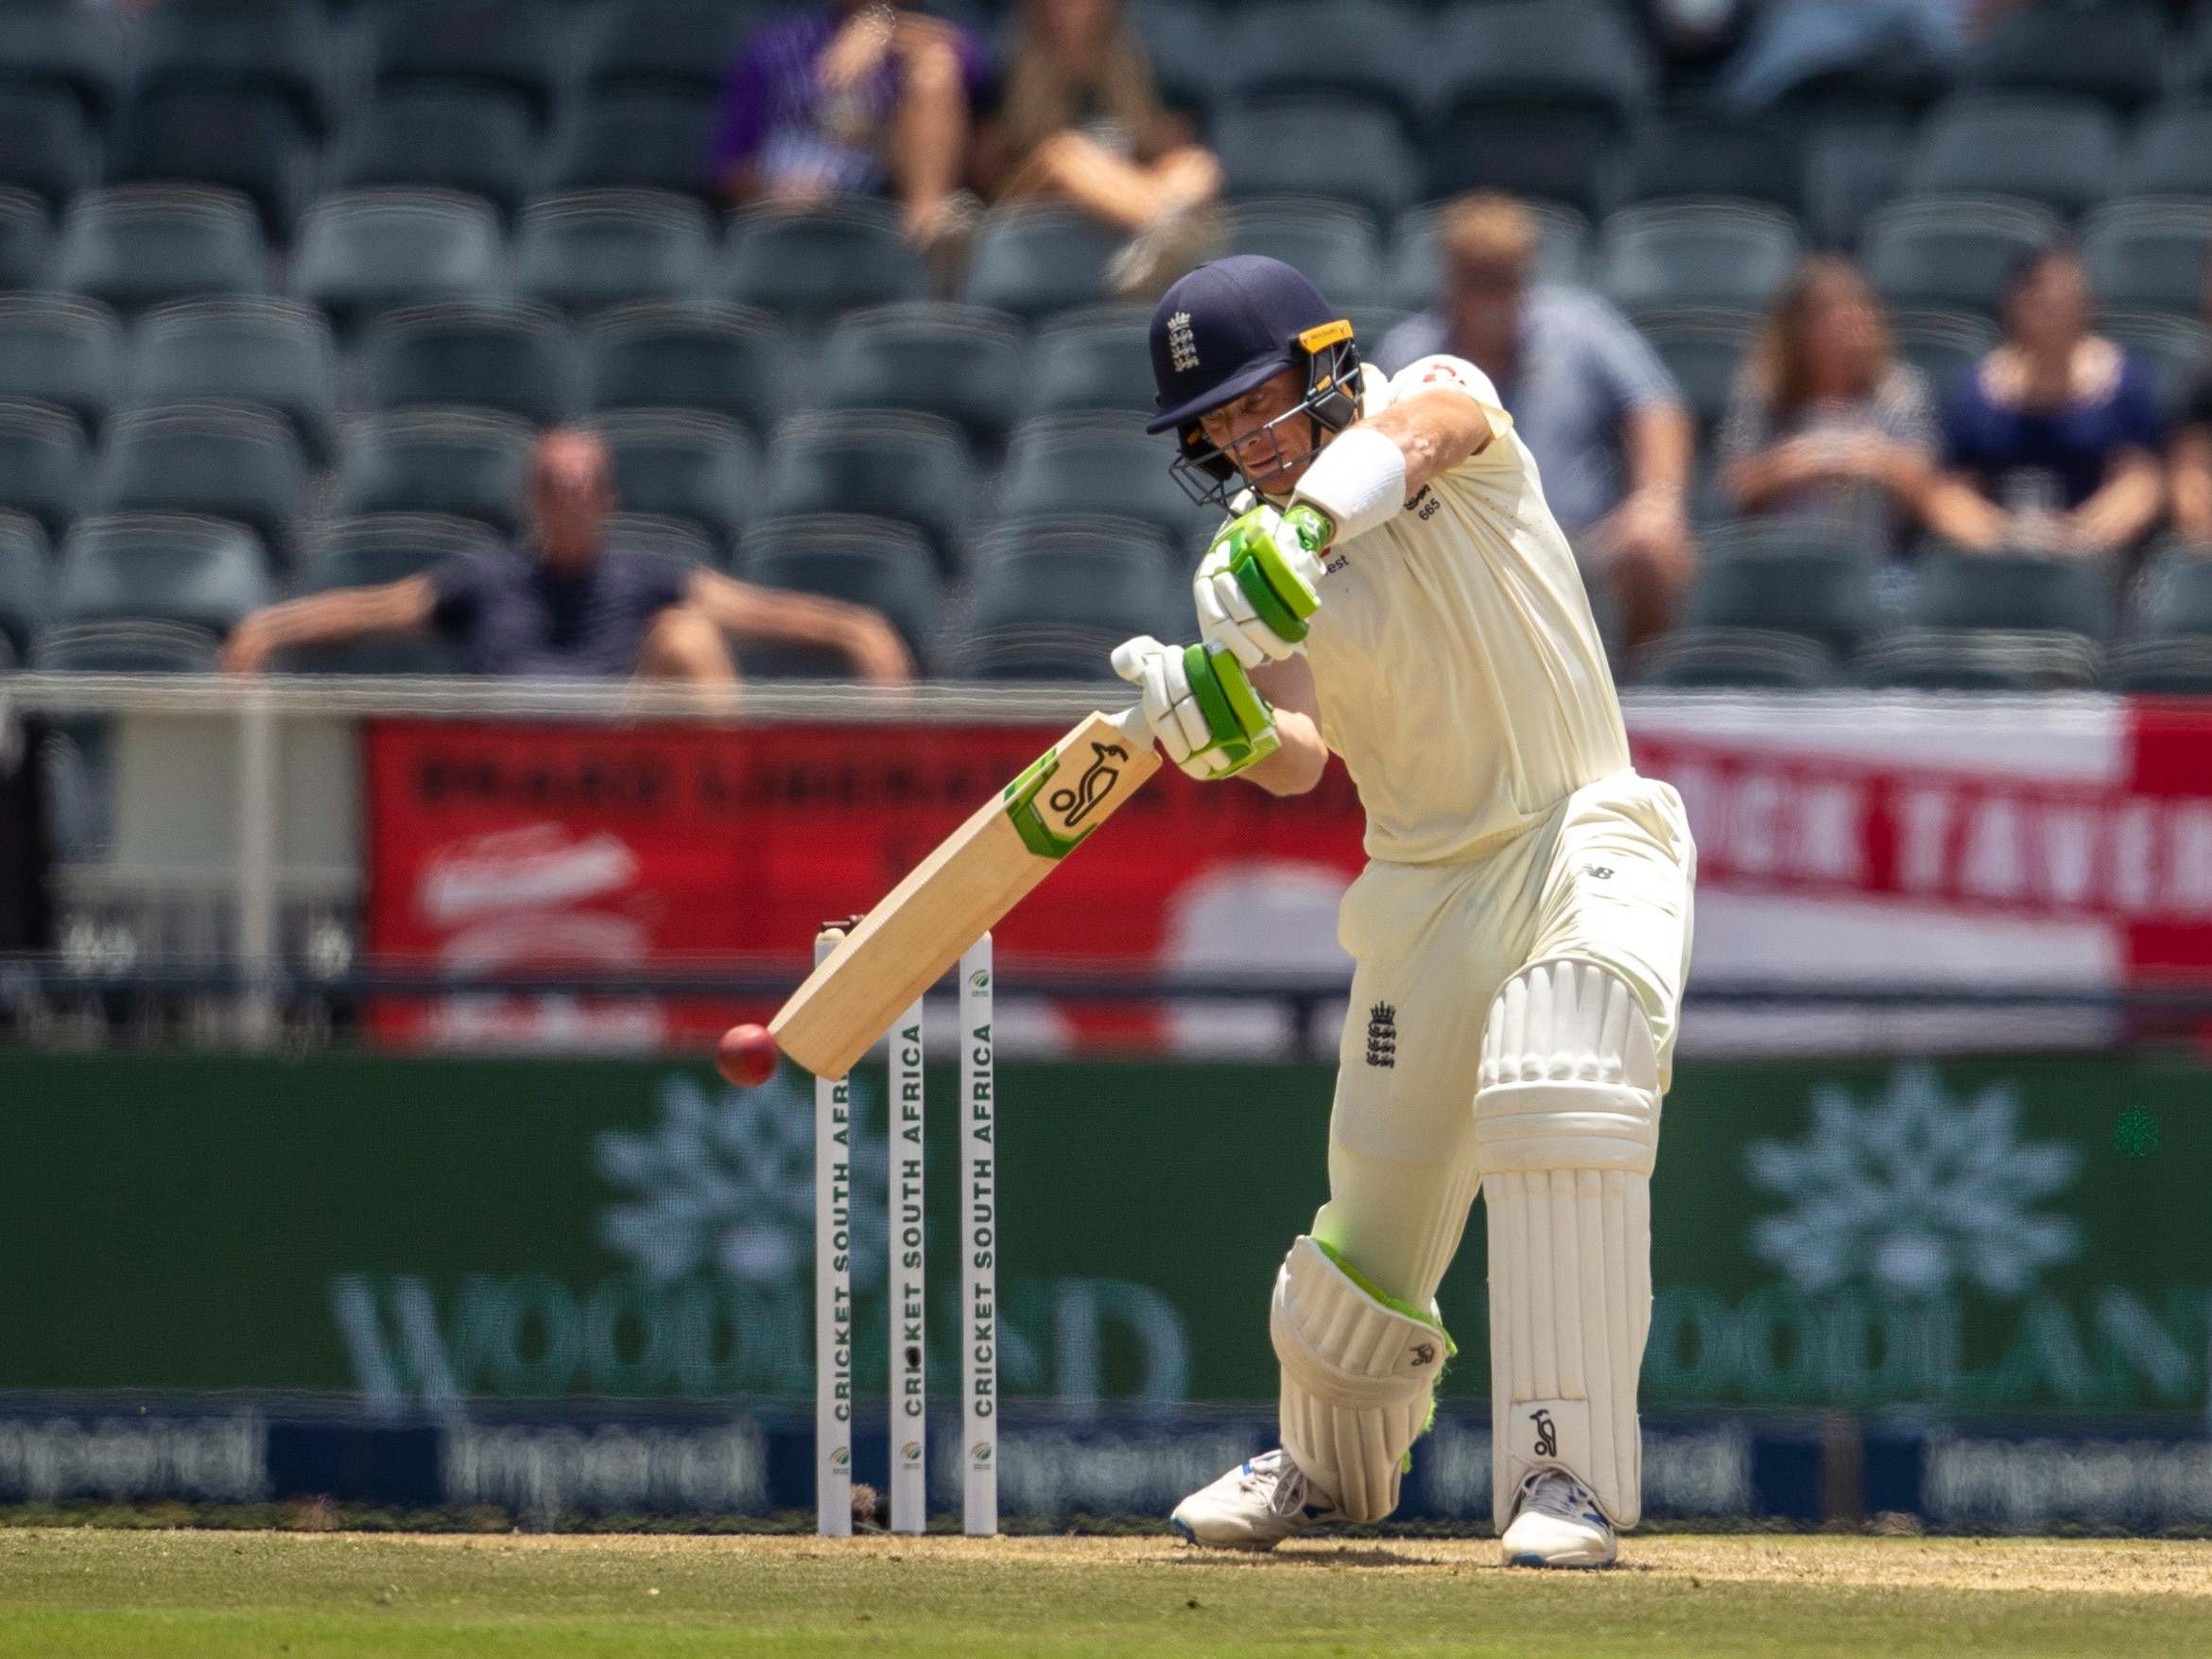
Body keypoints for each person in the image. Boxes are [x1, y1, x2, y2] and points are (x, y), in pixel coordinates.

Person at [1114, 257, 1695, 1566]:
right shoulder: (1249, 562)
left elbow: (1420, 440)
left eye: (1258, 407)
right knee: (1373, 1205)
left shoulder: (1435, 396)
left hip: (1573, 831)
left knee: (1566, 1068)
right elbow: (1305, 753)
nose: (1241, 447)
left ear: (1325, 367)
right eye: (1214, 431)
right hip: (1421, 885)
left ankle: (1567, 1475)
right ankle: (1323, 1463)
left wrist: (1308, 524)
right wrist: (1226, 733)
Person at [219, 429, 914, 687]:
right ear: (533, 500)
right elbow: (372, 610)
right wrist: (266, 631)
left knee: (686, 634)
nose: (572, 499)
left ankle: (723, 818)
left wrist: (860, 632)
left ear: (609, 498)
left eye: (585, 486)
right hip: (501, 768)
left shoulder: (649, 576)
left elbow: (769, 612)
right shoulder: (484, 580)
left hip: (621, 764)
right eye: (556, 485)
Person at [1377, 193, 1697, 652]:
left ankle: (1638, 701)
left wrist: (1657, 501)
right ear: (1452, 279)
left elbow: (1656, 407)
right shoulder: (1409, 354)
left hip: (1579, 544)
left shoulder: (1581, 328)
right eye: (1480, 279)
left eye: (1508, 277)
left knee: (1649, 551)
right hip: (1450, 549)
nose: (1496, 296)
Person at [1927, 247, 2165, 558]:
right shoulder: (1976, 390)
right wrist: (2001, 537)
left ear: (2085, 303)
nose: (2048, 304)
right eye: (2035, 292)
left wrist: (2081, 537)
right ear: (2011, 305)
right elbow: (1951, 490)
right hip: (1998, 554)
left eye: (2061, 293)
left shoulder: (2124, 383)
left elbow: (2142, 481)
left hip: (2096, 559)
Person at [974, 0, 1221, 299]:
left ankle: (1162, 236)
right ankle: (1165, 230)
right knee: (1064, 154)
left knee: (1196, 163)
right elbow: (987, 178)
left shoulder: (1142, 62)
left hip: (1118, 193)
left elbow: (1165, 147)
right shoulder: (1006, 65)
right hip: (1027, 200)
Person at [710, 0, 992, 252]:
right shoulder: (776, 46)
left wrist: (884, 28)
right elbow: (730, 166)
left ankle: (926, 244)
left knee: (935, 70)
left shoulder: (928, 43)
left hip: (884, 217)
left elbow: (976, 68)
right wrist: (774, 192)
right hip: (784, 221)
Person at [1719, 255, 1939, 552]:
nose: (1846, 337)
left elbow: (1927, 490)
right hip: (1781, 561)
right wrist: (1797, 461)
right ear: (1797, 332)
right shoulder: (1763, 387)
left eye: (1856, 321)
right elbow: (1736, 489)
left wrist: (1872, 460)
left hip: (1878, 561)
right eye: (1829, 324)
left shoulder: (1900, 389)